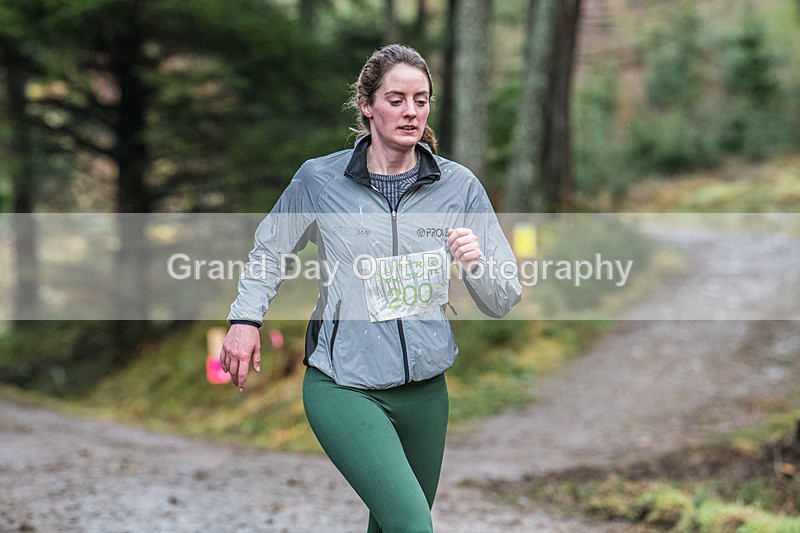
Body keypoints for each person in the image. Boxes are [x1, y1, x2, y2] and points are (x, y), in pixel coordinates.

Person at [220, 43, 522, 533]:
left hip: (426, 392)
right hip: (344, 384)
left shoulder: (458, 186)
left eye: (421, 100)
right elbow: (270, 251)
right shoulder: (320, 180)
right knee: (411, 524)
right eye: (396, 99)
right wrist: (244, 319)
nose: (411, 112)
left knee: (392, 527)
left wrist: (476, 263)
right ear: (367, 104)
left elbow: (503, 298)